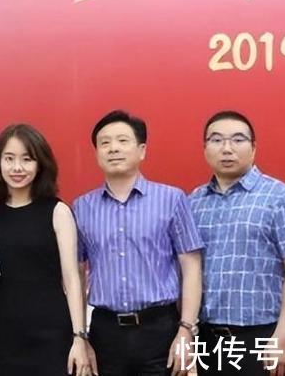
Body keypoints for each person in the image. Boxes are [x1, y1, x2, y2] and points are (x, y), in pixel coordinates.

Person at [73, 110, 203, 376]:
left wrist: (186, 329)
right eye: (105, 143)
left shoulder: (171, 199)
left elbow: (191, 267)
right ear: (97, 152)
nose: (113, 148)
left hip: (160, 329)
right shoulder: (82, 207)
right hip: (105, 332)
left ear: (142, 150)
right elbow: (76, 274)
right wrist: (80, 336)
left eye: (123, 140)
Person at [189, 111, 285, 376]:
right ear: (205, 148)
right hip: (208, 338)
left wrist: (283, 335)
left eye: (238, 140)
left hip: (261, 337)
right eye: (216, 140)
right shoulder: (194, 202)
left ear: (254, 148)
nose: (227, 148)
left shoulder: (279, 196)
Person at [0, 124, 93, 376]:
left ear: (40, 164)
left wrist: (79, 337)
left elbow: (72, 279)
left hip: (52, 332)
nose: (17, 167)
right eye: (9, 159)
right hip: (3, 332)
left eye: (27, 159)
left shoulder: (58, 212)